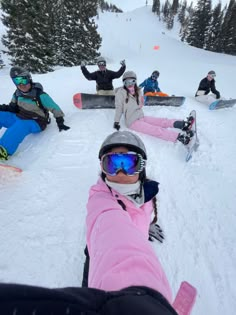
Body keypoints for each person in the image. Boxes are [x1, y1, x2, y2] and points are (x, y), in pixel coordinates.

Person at [0, 66, 70, 161]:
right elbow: (12, 108)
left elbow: (55, 108)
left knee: (21, 126)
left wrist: (60, 122)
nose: (21, 84)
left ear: (29, 79)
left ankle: (3, 151)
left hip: (36, 122)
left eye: (23, 80)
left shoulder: (39, 95)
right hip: (19, 116)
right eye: (17, 81)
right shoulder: (17, 94)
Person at [114, 71, 194, 145]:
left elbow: (140, 104)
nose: (130, 84)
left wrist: (141, 101)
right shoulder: (120, 93)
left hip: (140, 116)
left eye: (132, 81)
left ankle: (182, 124)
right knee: (155, 130)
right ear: (124, 83)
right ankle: (179, 137)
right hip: (132, 122)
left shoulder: (138, 91)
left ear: (135, 81)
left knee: (162, 121)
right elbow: (119, 108)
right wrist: (116, 122)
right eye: (127, 82)